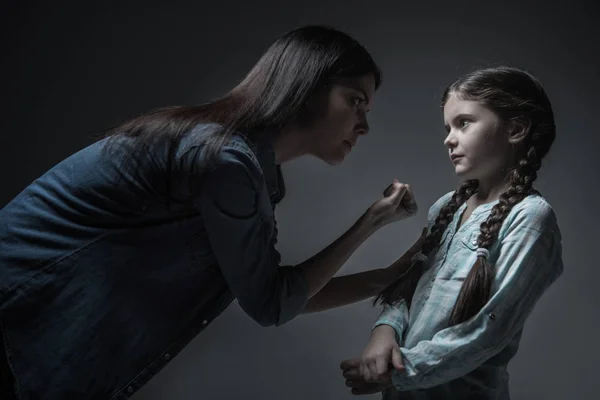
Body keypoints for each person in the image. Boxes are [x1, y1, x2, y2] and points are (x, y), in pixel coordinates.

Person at [0, 25, 426, 399]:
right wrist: (372, 221)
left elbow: (273, 292)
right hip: (17, 324)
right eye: (356, 101)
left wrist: (392, 276)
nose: (364, 125)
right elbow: (272, 303)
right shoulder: (223, 161)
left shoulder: (252, 174)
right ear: (309, 86)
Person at [340, 66, 563, 399]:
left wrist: (400, 371)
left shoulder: (530, 218)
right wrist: (384, 331)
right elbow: (409, 284)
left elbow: (490, 327)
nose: (449, 138)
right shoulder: (448, 206)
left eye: (464, 123)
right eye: (447, 127)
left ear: (515, 129)